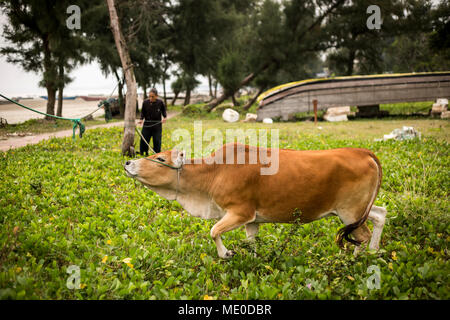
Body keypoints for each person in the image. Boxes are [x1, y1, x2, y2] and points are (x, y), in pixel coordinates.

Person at [138, 88, 167, 155]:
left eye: (152, 96)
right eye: (149, 96)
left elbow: (164, 111)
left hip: (157, 125)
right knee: (144, 139)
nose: (150, 98)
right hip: (147, 124)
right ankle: (143, 152)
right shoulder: (145, 102)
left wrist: (165, 117)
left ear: (156, 96)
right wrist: (141, 119)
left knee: (157, 140)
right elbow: (143, 112)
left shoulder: (160, 102)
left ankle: (156, 154)